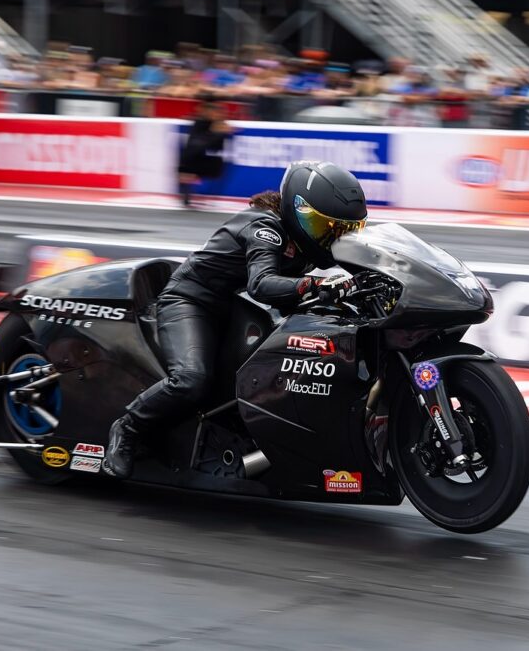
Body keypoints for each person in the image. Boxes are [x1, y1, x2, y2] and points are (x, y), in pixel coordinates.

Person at [102, 161, 369, 479]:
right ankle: (126, 429)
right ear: (299, 210)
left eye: (343, 231)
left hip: (232, 305)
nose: (332, 239)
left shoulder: (311, 239)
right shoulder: (265, 229)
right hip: (190, 302)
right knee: (191, 379)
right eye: (327, 228)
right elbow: (262, 283)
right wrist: (314, 284)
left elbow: (359, 264)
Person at [177, 99, 232, 207]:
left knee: (215, 164)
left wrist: (220, 133)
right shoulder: (199, 123)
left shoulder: (219, 125)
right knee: (186, 163)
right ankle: (186, 192)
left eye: (218, 112)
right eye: (213, 112)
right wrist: (215, 133)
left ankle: (192, 185)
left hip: (209, 160)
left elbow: (217, 148)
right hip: (193, 157)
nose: (215, 114)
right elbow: (196, 144)